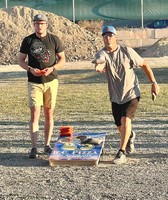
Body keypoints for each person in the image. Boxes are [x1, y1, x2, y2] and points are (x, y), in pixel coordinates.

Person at [93, 25, 159, 164]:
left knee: (125, 120)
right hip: (116, 96)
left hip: (132, 92)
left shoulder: (127, 51)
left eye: (110, 35)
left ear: (116, 37)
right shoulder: (102, 53)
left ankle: (121, 152)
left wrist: (153, 83)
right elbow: (100, 61)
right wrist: (98, 66)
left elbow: (145, 65)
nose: (108, 38)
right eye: (105, 36)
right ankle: (129, 136)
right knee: (119, 125)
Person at [18, 14, 66, 158]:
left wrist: (52, 68)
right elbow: (20, 60)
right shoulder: (28, 40)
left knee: (49, 113)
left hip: (51, 81)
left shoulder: (54, 39)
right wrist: (30, 69)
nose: (39, 26)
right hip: (34, 82)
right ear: (34, 24)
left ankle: (47, 145)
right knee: (34, 114)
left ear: (46, 25)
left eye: (42, 23)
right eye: (37, 23)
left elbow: (62, 59)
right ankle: (34, 147)